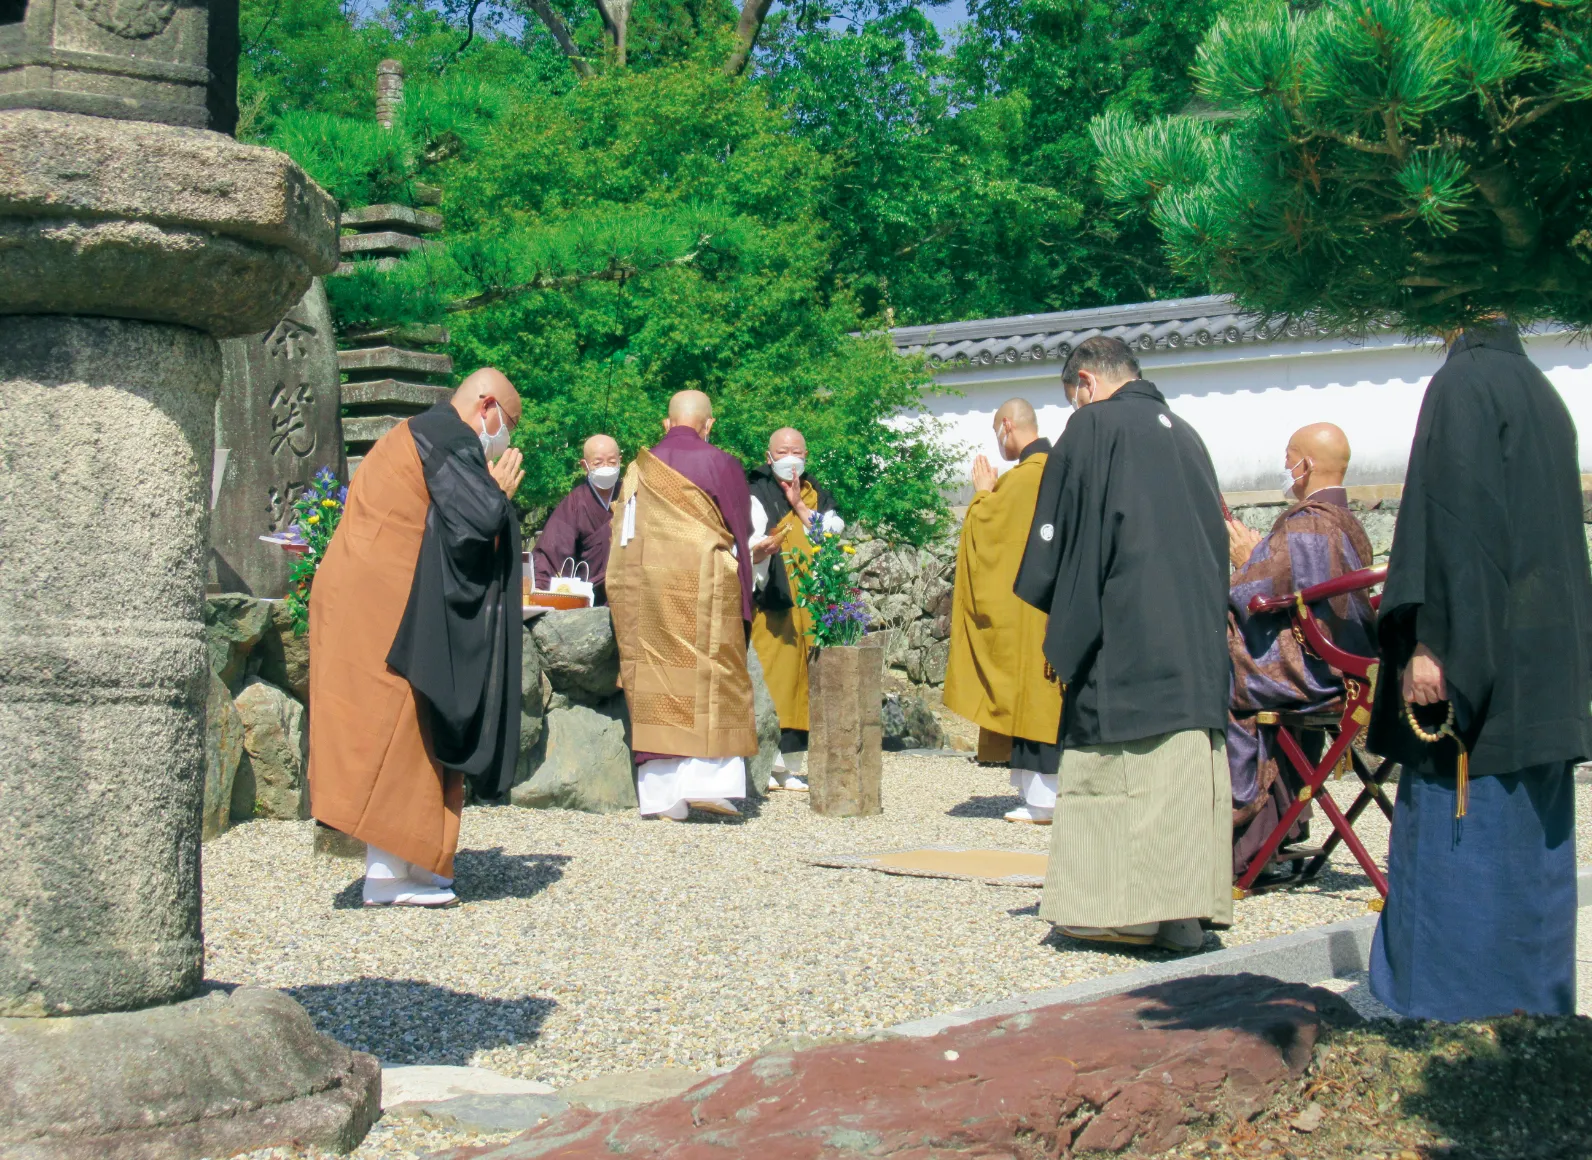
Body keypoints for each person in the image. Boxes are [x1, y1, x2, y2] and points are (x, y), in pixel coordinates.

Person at [1366, 320, 1591, 1021]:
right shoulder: (1540, 392)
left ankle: (1451, 1007)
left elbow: (1454, 525)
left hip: (1480, 675)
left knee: (1463, 838)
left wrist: (1433, 644)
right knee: (1535, 852)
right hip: (1541, 670)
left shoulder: (1462, 384)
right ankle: (1533, 1007)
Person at [1013, 336, 1231, 952]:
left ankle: (1119, 913)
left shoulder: (1095, 428)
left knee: (1119, 771)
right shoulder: (1186, 434)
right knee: (1182, 779)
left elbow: (1073, 545)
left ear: (1085, 382)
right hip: (1194, 645)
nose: (1073, 411)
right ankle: (1182, 915)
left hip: (1129, 642)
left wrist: (1067, 638)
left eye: (1072, 399)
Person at [309, 367, 525, 907]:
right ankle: (387, 875)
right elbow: (475, 520)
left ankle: (417, 860)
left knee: (410, 722)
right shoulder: (446, 435)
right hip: (383, 595)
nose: (507, 437)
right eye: (509, 423)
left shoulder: (419, 432)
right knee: (397, 724)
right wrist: (496, 495)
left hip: (371, 586)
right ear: (487, 404)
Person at [1226, 423, 1376, 882]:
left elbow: (1253, 596)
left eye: (1289, 458)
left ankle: (1244, 832)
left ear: (1305, 464)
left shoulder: (1306, 525)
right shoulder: (1347, 523)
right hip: (1340, 667)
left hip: (1309, 671)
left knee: (1216, 676)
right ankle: (1283, 827)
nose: (1286, 468)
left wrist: (1246, 557)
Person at [607, 390, 760, 820]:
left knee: (656, 678)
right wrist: (746, 589)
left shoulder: (638, 469)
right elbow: (739, 526)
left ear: (665, 424)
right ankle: (708, 782)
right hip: (704, 585)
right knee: (715, 674)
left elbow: (622, 531)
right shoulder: (720, 462)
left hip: (649, 588)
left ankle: (663, 796)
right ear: (708, 424)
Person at [943, 398, 1064, 824]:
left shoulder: (1025, 479)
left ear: (1007, 426)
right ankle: (1046, 794)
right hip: (1061, 604)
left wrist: (981, 496)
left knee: (1031, 695)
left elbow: (988, 534)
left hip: (1028, 610)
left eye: (997, 431)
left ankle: (1043, 799)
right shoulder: (1063, 467)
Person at [747, 427, 845, 791]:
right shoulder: (754, 490)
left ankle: (788, 766)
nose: (791, 457)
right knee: (774, 676)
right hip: (773, 598)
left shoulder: (815, 493)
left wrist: (800, 506)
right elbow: (746, 539)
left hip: (810, 599)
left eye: (797, 451)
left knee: (802, 681)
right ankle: (766, 762)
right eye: (783, 451)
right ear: (769, 456)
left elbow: (831, 535)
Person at [532, 434, 621, 604]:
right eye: (598, 463)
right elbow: (551, 551)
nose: (606, 467)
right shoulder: (575, 502)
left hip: (626, 593)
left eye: (612, 462)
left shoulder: (631, 496)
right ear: (584, 466)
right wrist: (540, 589)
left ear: (620, 461)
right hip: (589, 596)